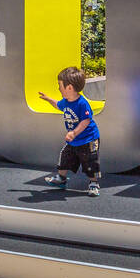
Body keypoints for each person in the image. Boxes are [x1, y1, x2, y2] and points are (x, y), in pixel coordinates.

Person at [37, 66, 101, 195]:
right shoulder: (66, 101)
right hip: (74, 141)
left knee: (90, 162)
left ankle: (93, 183)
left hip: (88, 139)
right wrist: (49, 99)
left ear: (70, 87)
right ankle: (61, 179)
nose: (58, 88)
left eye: (60, 85)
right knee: (65, 157)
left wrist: (74, 132)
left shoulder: (82, 103)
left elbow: (86, 120)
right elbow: (58, 105)